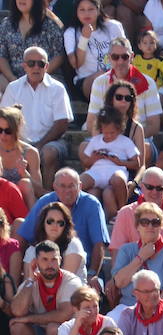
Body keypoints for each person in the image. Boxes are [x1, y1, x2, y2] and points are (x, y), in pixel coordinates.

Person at [19, 167, 108, 278]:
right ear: (54, 187)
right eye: (62, 186)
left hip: (85, 270)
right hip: (45, 266)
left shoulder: (92, 204)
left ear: (80, 186)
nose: (67, 191)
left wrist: (92, 274)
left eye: (71, 186)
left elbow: (99, 244)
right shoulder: (45, 202)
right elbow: (24, 236)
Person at [8, 239, 80, 335]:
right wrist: (29, 279)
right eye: (44, 260)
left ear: (60, 260)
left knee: (53, 328)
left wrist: (29, 319)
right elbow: (17, 311)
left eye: (54, 259)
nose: (50, 264)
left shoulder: (71, 281)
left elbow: (64, 315)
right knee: (16, 327)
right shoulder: (31, 282)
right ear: (36, 262)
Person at [4, 44, 71, 182]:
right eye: (31, 63)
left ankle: (46, 198)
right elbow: (4, 119)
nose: (36, 67)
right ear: (24, 66)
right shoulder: (13, 88)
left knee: (48, 153)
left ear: (46, 67)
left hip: (52, 141)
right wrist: (22, 146)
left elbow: (62, 124)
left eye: (40, 64)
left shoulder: (57, 88)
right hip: (18, 142)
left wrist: (39, 145)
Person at [108, 166, 163, 265]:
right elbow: (116, 250)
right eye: (150, 187)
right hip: (135, 271)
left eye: (159, 188)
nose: (154, 192)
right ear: (141, 186)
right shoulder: (125, 213)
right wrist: (117, 275)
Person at [109, 202, 163, 312]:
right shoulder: (126, 250)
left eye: (155, 222)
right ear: (137, 226)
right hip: (127, 308)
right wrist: (140, 257)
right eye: (144, 222)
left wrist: (149, 313)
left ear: (161, 226)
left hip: (159, 310)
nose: (150, 226)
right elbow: (119, 282)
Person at [23, 201, 86, 282]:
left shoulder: (73, 245)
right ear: (43, 223)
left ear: (66, 226)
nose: (55, 225)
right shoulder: (32, 250)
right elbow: (28, 282)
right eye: (50, 221)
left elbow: (64, 282)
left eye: (60, 223)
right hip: (38, 293)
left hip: (71, 293)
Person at [0, 104, 42, 211]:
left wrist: (24, 174)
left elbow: (39, 191)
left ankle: (31, 224)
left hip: (21, 203)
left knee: (25, 184)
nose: (3, 135)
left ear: (17, 130)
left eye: (8, 131)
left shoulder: (30, 153)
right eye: (0, 130)